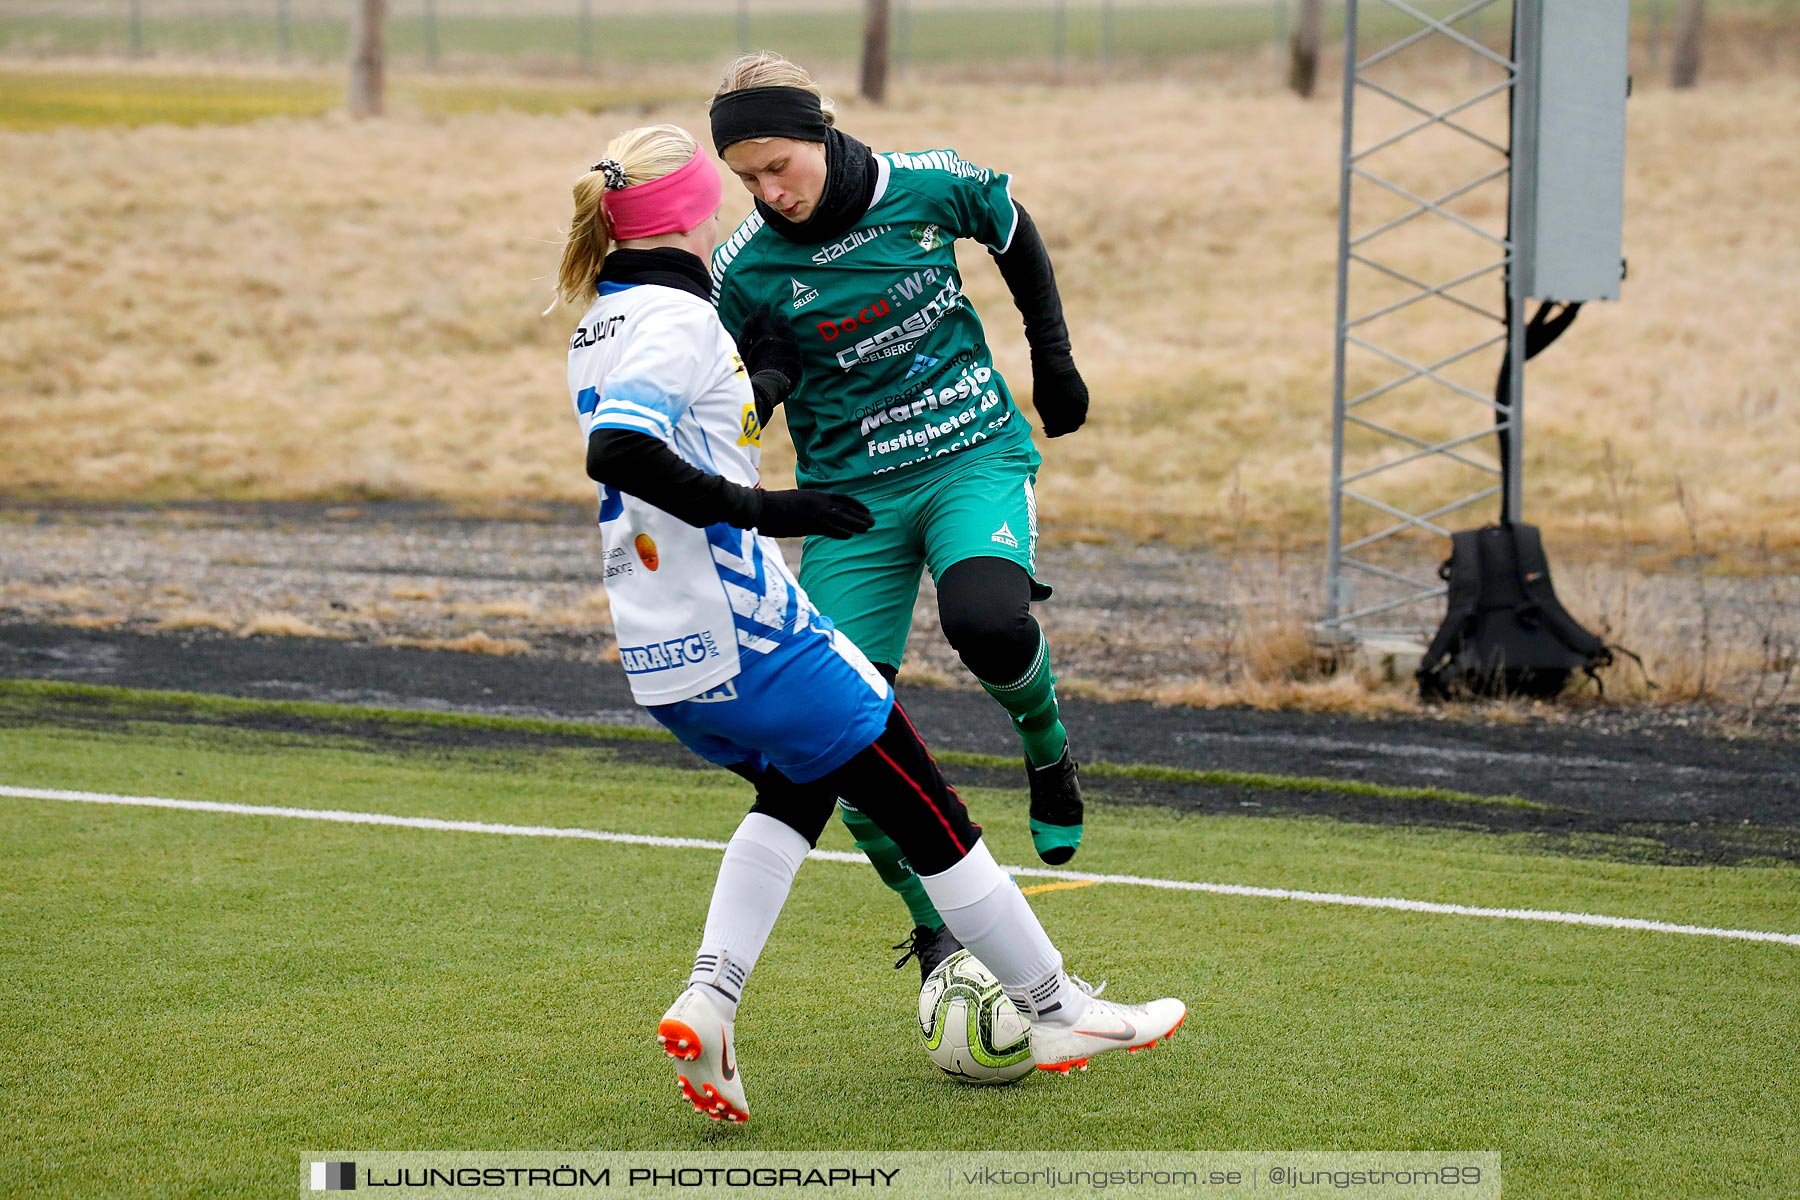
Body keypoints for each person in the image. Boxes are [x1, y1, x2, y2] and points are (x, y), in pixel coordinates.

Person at [551, 123, 1185, 1124]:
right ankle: (1058, 1008)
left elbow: (684, 437)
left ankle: (709, 1001)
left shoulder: (607, 318)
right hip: (755, 635)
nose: (752, 191)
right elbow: (623, 451)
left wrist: (759, 388)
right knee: (933, 817)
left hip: (664, 650)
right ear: (690, 208)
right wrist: (777, 510)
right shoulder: (682, 313)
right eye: (731, 179)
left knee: (796, 799)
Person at [707, 53, 1094, 984]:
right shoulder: (743, 269)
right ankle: (937, 930)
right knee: (841, 740)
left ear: (821, 130)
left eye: (779, 166)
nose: (769, 192)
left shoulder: (925, 186)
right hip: (851, 504)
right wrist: (763, 386)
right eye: (746, 176)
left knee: (987, 624)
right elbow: (727, 416)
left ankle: (1047, 750)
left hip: (972, 455)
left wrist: (1052, 356)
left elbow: (1014, 232)